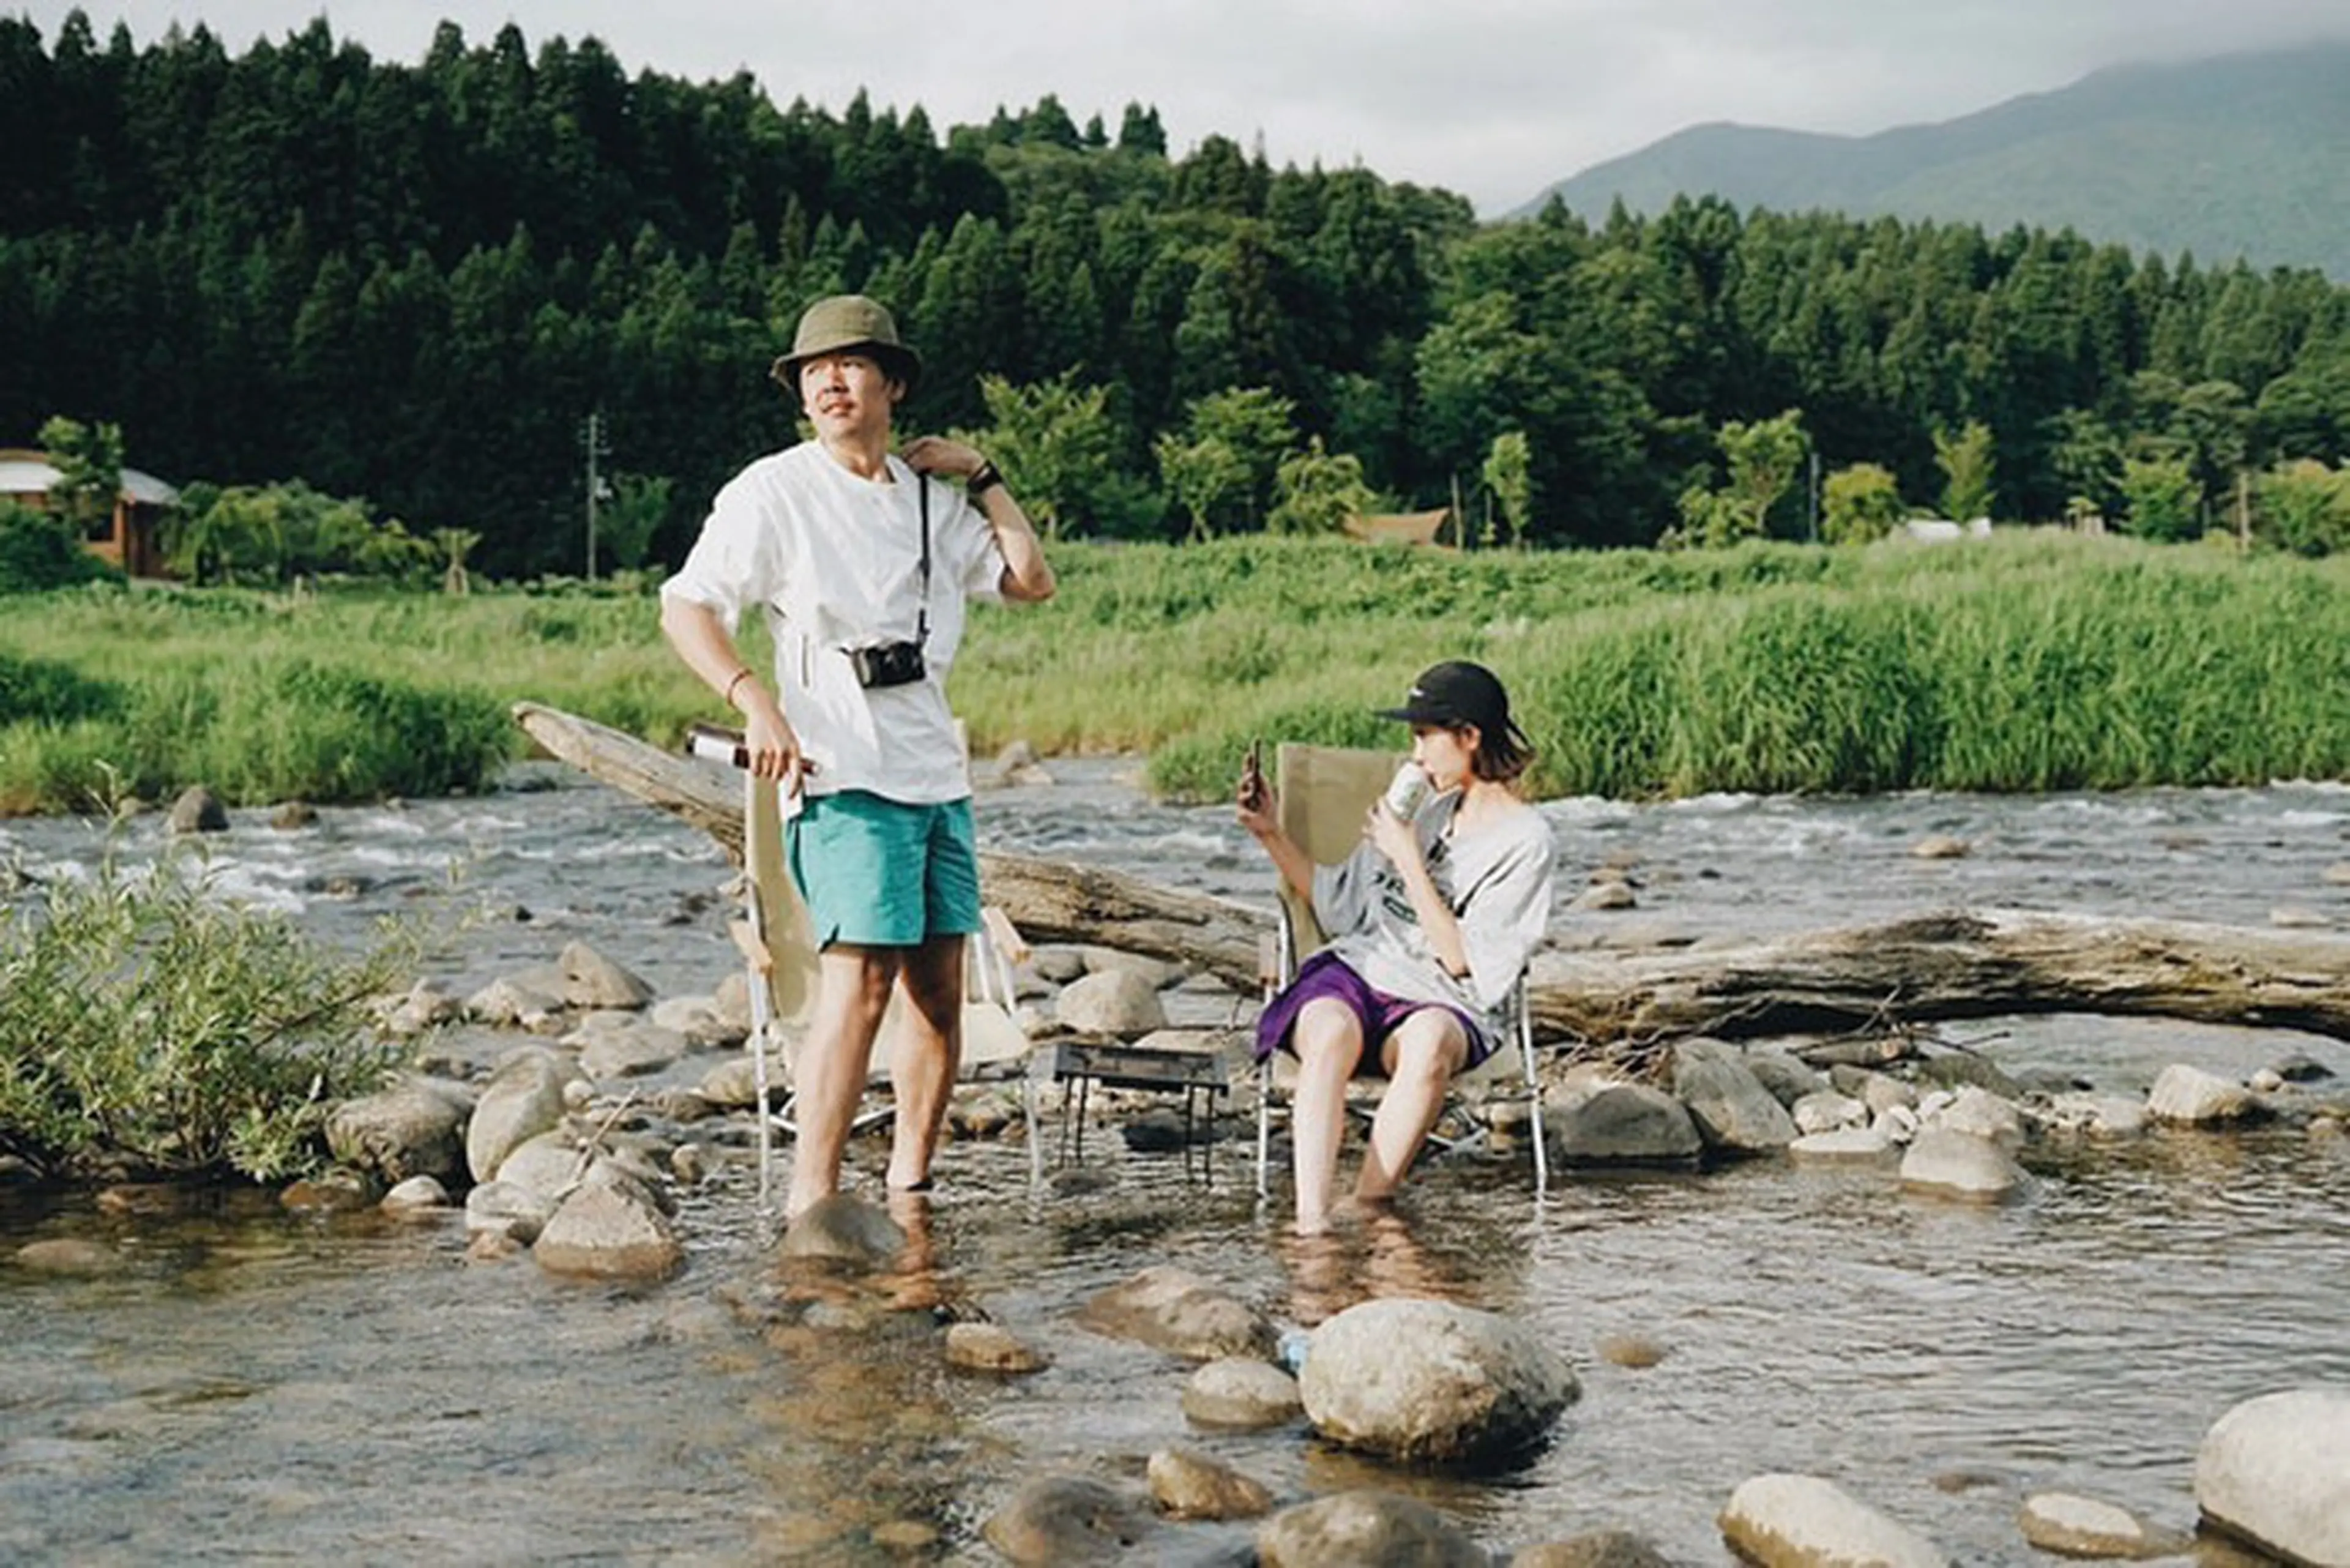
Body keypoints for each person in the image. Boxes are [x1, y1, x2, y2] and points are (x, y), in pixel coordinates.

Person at [660, 293, 1054, 1220]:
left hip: (934, 775)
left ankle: (911, 1183)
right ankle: (813, 1201)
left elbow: (1031, 581)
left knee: (938, 992)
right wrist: (753, 700)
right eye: (813, 371)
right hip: (838, 772)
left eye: (850, 365)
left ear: (894, 383)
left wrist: (985, 474)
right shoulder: (774, 490)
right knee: (861, 977)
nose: (830, 382)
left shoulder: (931, 503)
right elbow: (688, 606)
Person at [1239, 661, 1557, 1234]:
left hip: (1442, 998)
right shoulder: (1425, 809)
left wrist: (1408, 856)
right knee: (1330, 1028)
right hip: (1358, 973)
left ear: (1469, 736)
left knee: (1430, 1041)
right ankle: (1312, 1226)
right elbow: (1337, 906)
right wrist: (1270, 832)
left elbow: (1464, 961)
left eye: (1423, 737)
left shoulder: (1525, 843)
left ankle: (1365, 1209)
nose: (1414, 756)